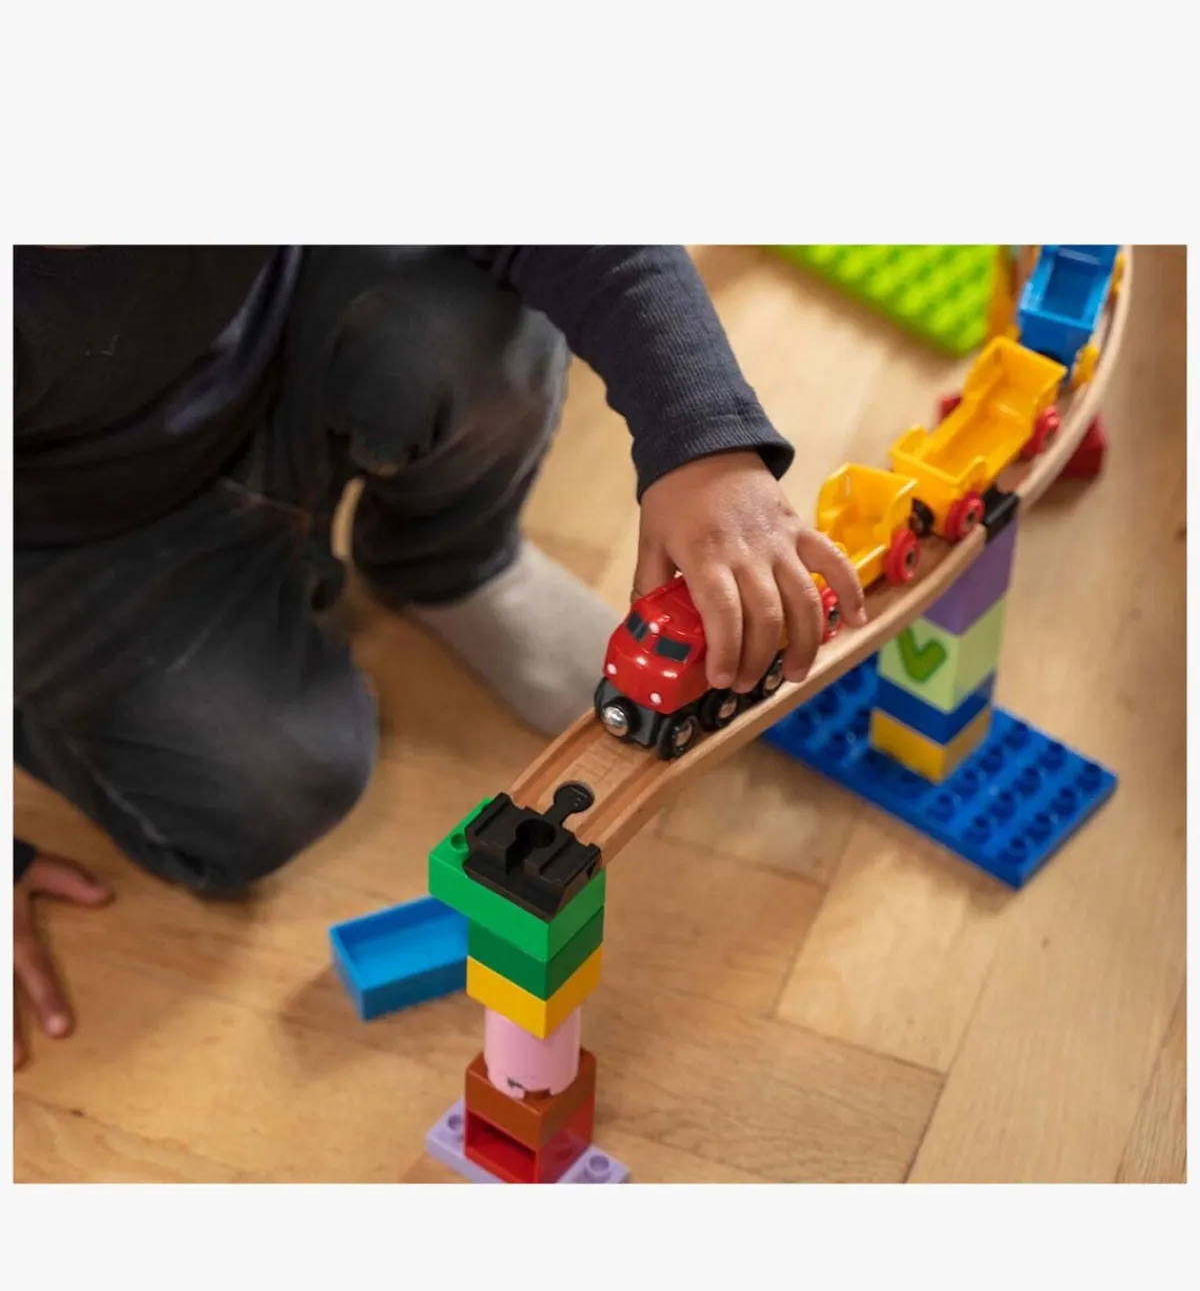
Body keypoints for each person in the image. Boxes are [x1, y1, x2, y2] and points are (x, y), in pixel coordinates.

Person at [13, 245, 865, 1066]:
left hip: (270, 331)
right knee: (267, 791)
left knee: (465, 334)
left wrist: (704, 444)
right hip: (66, 539)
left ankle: (450, 564)